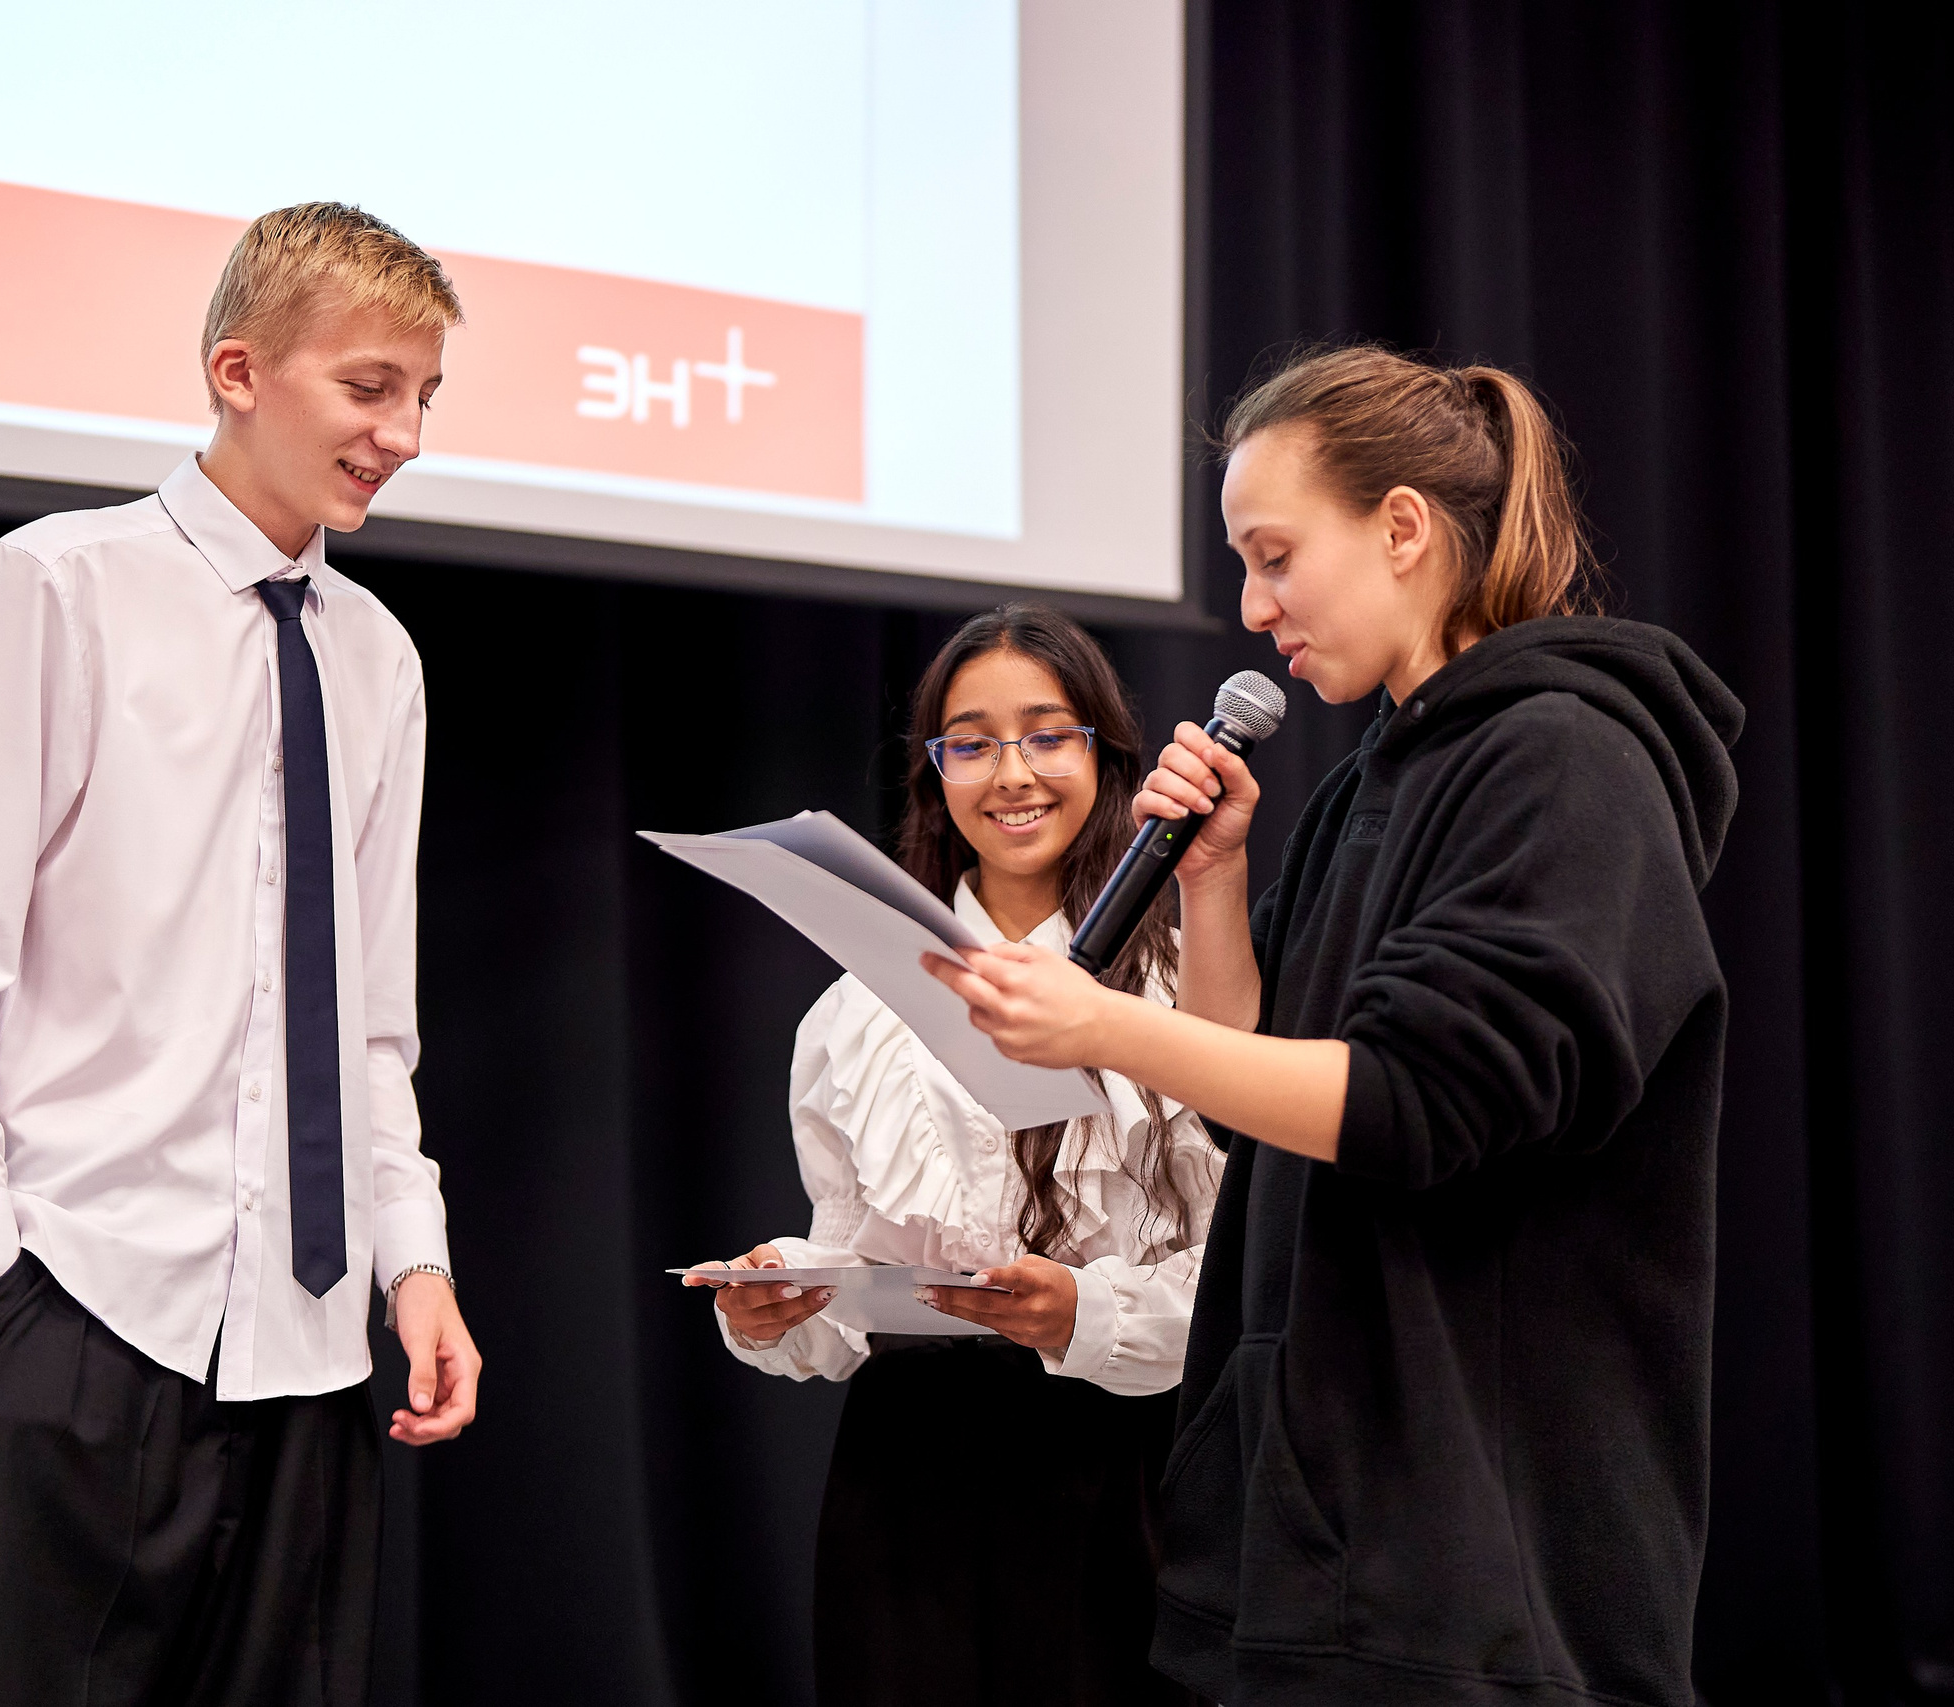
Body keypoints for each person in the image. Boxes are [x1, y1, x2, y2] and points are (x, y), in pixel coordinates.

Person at [924, 346, 1742, 1707]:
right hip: (1316, 1533)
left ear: (1402, 527)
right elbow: (1262, 1076)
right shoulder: (1381, 775)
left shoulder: (1561, 760)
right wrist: (1216, 882)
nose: (1254, 608)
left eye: (1275, 557)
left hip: (1466, 1568)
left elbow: (1412, 1099)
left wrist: (1105, 1027)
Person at [0, 203, 482, 1707]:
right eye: (370, 386)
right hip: (80, 1304)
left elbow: (368, 1024)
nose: (403, 434)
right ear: (238, 370)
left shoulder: (378, 656)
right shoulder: (59, 584)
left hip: (313, 1348)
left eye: (425, 397)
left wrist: (416, 1257)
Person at [688, 605, 1225, 1707]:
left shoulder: (1179, 988)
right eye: (972, 743)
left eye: (1048, 734)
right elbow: (853, 1263)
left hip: (1116, 1467)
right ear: (935, 773)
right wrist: (783, 1296)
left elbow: (1232, 1274)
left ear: (1104, 754)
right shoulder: (855, 1010)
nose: (1012, 773)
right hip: (904, 1480)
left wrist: (1081, 1311)